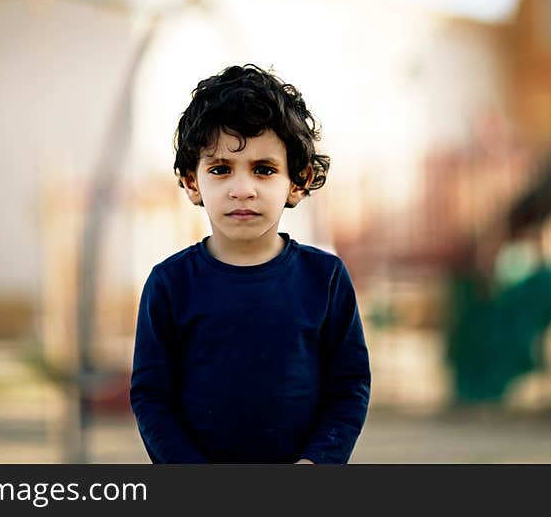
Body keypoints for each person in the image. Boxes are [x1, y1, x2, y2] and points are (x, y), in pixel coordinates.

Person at [129, 64, 371, 463]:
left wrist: (318, 462)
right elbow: (152, 396)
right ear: (192, 182)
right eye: (221, 169)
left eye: (264, 170)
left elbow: (349, 387)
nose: (243, 190)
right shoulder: (169, 284)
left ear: (298, 180)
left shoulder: (325, 280)